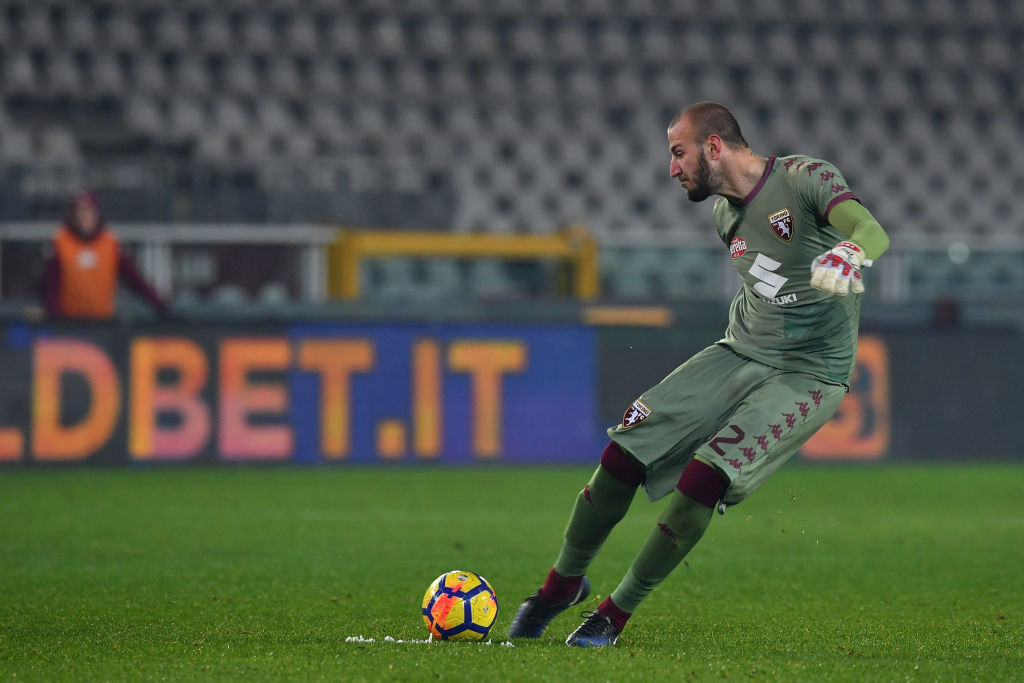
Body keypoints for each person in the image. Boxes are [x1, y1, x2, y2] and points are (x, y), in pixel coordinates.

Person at [508, 101, 890, 647]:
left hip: (810, 373)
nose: (672, 169)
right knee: (622, 455)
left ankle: (614, 615)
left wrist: (851, 252)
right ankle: (559, 587)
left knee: (703, 480)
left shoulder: (805, 178)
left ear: (714, 146)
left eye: (677, 152)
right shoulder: (723, 217)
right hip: (738, 351)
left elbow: (871, 230)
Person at [43, 190, 169, 320]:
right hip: (69, 322)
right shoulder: (60, 242)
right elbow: (51, 286)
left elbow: (134, 279)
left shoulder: (110, 243)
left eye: (88, 211)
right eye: (79, 211)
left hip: (102, 321)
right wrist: (55, 316)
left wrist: (160, 304)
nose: (84, 216)